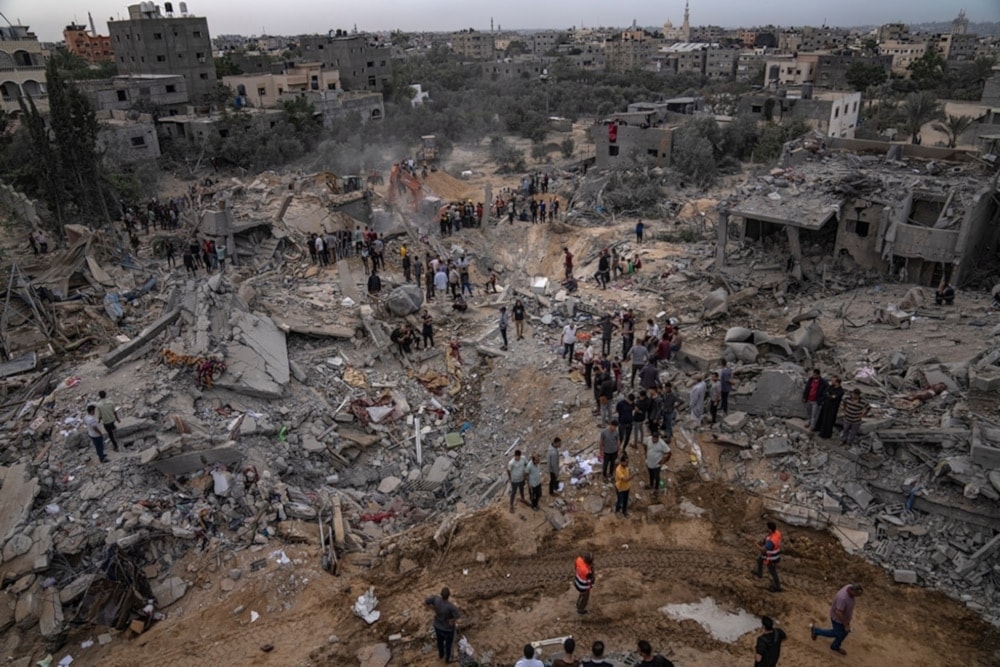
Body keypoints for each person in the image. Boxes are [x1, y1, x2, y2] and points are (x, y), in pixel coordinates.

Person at [811, 583, 863, 656]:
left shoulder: (849, 586)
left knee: (845, 632)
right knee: (836, 633)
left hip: (845, 618)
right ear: (852, 590)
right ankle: (816, 631)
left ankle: (835, 645)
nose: (856, 597)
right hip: (838, 619)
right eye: (856, 595)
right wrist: (845, 624)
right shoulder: (843, 598)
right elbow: (838, 612)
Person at [424, 587, 460, 664]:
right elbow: (457, 616)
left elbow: (426, 602)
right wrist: (451, 620)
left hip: (437, 626)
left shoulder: (436, 599)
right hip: (448, 630)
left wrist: (432, 609)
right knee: (449, 645)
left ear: (441, 594)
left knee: (440, 642)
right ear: (449, 596)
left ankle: (441, 655)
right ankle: (448, 660)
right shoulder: (451, 607)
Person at [753, 521, 783, 593]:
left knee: (773, 571)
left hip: (771, 558)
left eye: (766, 527)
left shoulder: (771, 541)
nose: (765, 528)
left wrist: (753, 542)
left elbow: (763, 550)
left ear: (770, 529)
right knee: (759, 560)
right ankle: (759, 573)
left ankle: (777, 587)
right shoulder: (776, 533)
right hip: (774, 554)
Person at [645, 427, 671, 499]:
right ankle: (650, 484)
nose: (654, 440)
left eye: (655, 439)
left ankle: (656, 489)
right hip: (649, 462)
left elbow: (669, 453)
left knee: (657, 477)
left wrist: (664, 461)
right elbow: (645, 445)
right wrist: (645, 454)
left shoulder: (662, 444)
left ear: (658, 438)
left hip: (657, 464)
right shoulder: (649, 439)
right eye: (653, 438)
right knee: (651, 474)